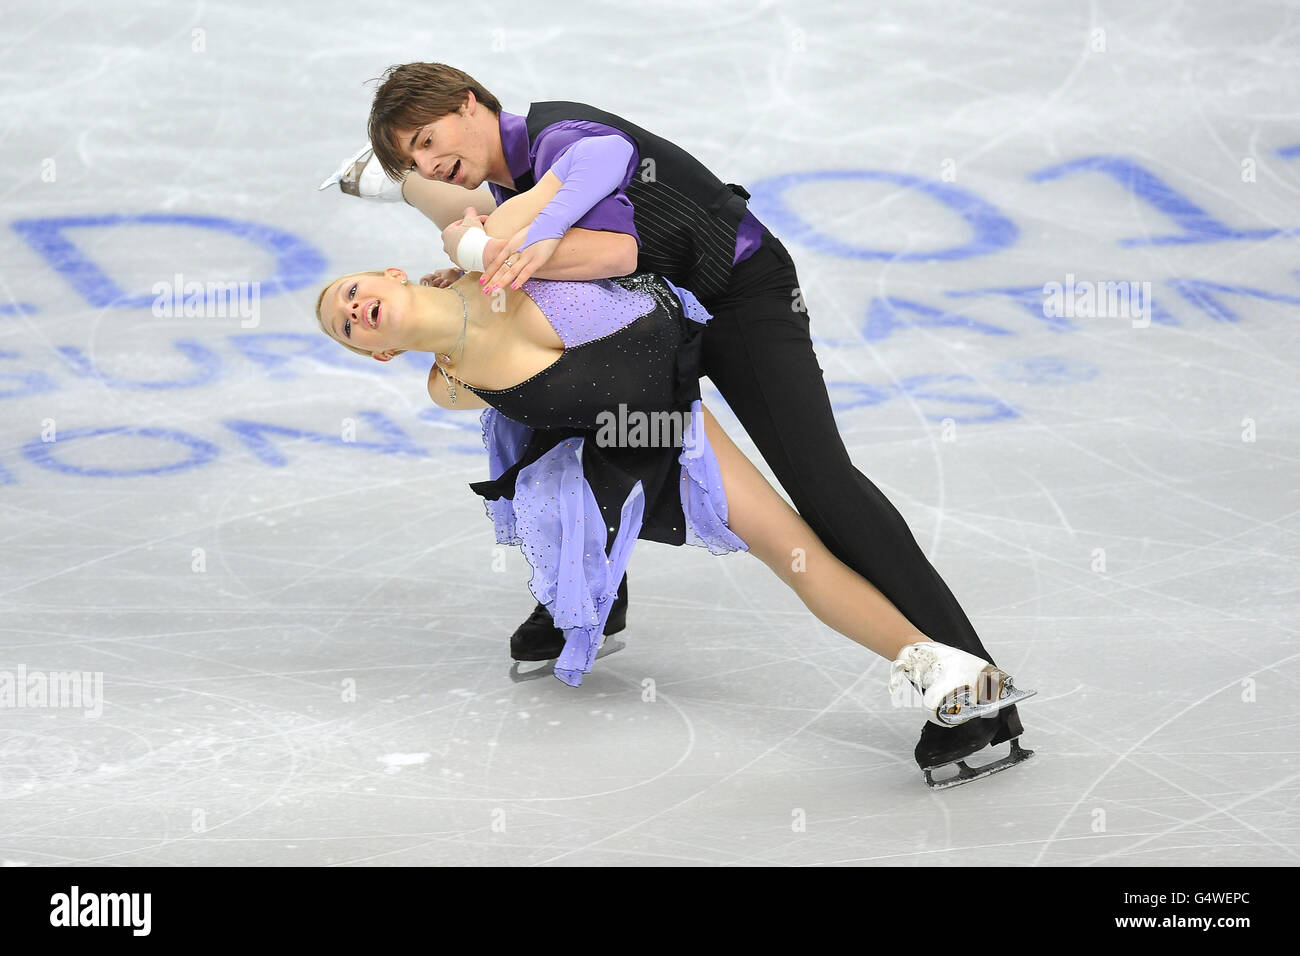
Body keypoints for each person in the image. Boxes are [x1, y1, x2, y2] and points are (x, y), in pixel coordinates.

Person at [318, 61, 1032, 787]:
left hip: (737, 299)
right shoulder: (499, 190)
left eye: (431, 141)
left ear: (471, 104)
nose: (435, 163)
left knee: (822, 487)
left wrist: (508, 238)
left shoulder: (558, 135)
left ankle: (977, 692)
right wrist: (443, 219)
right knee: (543, 418)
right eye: (417, 159)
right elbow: (478, 239)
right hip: (647, 342)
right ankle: (585, 601)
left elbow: (610, 192)